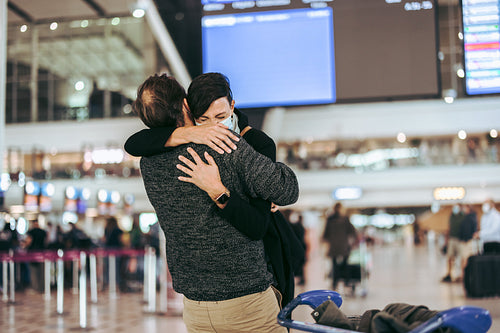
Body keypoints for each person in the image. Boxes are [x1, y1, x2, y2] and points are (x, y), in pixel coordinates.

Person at [134, 73, 298, 332]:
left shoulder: (149, 164)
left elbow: (136, 142)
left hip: (195, 306)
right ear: (187, 106)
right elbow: (287, 191)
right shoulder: (225, 145)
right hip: (246, 300)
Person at [322, 202, 358, 291]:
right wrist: (353, 242)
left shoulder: (330, 219)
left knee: (334, 266)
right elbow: (352, 231)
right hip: (343, 246)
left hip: (333, 246)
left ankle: (335, 283)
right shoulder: (345, 219)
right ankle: (346, 282)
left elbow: (326, 234)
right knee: (345, 264)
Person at [441, 204, 464, 283]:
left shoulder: (463, 216)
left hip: (460, 240)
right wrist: (446, 241)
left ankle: (462, 275)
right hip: (452, 239)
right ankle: (449, 274)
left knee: (462, 258)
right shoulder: (452, 216)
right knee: (450, 257)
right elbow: (449, 228)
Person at [25, 219, 47, 292]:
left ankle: (35, 287)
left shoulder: (31, 232)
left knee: (33, 271)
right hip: (42, 252)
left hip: (32, 252)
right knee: (42, 271)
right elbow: (47, 241)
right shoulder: (43, 232)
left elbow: (28, 241)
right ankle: (42, 287)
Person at [459, 204, 477, 272]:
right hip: (463, 241)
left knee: (467, 258)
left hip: (468, 241)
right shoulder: (464, 217)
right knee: (463, 258)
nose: (464, 209)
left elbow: (472, 230)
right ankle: (463, 275)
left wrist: (467, 239)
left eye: (465, 208)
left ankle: (466, 274)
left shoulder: (472, 218)